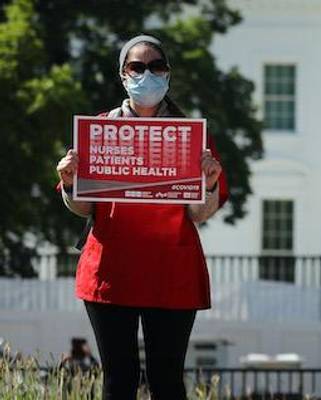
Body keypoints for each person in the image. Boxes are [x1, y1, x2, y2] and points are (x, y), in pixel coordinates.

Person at [55, 34, 227, 399]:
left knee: (167, 380)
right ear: (123, 74)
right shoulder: (99, 131)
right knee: (119, 379)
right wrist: (70, 182)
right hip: (111, 273)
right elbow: (84, 208)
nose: (147, 74)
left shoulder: (194, 138)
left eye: (156, 67)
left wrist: (209, 184)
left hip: (172, 273)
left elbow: (198, 213)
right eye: (137, 67)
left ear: (168, 75)